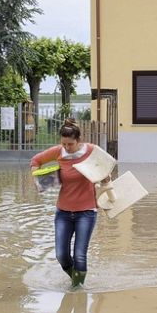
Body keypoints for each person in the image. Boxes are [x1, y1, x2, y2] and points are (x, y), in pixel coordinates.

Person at [30, 118, 105, 288]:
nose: (66, 148)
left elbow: (106, 167)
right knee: (61, 254)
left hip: (87, 212)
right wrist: (37, 176)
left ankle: (77, 290)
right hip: (63, 212)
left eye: (70, 144)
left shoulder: (92, 151)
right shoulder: (58, 152)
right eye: (63, 144)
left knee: (79, 255)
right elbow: (35, 161)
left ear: (79, 140)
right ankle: (76, 280)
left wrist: (105, 177)